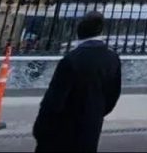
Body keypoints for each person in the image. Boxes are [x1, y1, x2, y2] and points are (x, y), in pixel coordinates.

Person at [33, 11, 122, 153]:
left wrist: (41, 128)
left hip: (62, 129)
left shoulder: (71, 60)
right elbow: (113, 94)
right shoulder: (112, 58)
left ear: (78, 30)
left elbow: (54, 100)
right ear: (101, 30)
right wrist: (96, 112)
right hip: (91, 125)